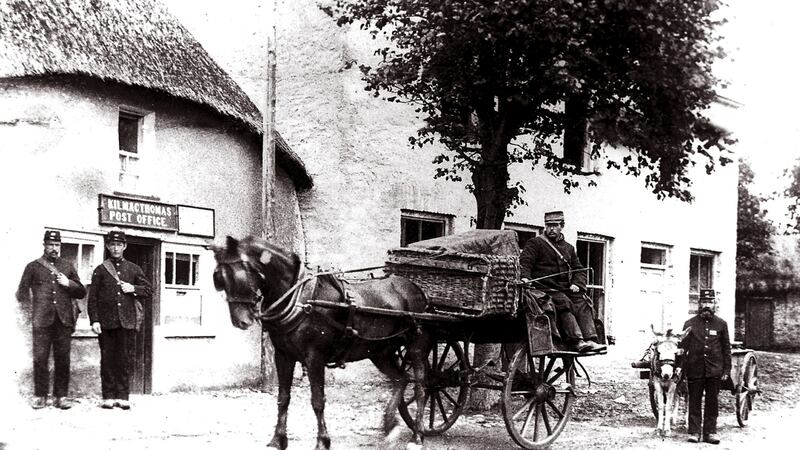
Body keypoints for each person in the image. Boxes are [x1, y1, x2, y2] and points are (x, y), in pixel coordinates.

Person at [16, 230, 87, 409]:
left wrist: (68, 284)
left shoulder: (68, 266)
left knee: (63, 358)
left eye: (57, 245)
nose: (54, 248)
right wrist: (33, 311)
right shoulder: (33, 267)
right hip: (41, 321)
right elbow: (21, 293)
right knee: (40, 358)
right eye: (51, 245)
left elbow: (81, 291)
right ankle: (40, 396)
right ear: (44, 245)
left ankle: (61, 397)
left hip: (63, 320)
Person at [519, 211, 605, 353]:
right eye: (548, 226)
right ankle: (576, 341)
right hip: (543, 288)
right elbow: (525, 263)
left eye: (555, 226)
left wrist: (577, 284)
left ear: (562, 226)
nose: (551, 229)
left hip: (564, 288)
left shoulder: (569, 248)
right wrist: (525, 278)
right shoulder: (535, 243)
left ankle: (591, 339)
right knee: (563, 301)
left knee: (582, 301)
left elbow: (579, 269)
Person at [87, 230, 151, 410]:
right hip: (106, 322)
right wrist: (95, 320)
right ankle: (108, 396)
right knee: (107, 359)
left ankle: (123, 396)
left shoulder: (134, 268)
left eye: (119, 245)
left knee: (124, 360)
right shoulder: (100, 270)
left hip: (127, 321)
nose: (115, 248)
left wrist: (133, 288)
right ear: (107, 246)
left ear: (124, 246)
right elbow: (93, 298)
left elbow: (148, 290)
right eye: (112, 245)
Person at [681, 289, 731, 445]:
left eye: (710, 302)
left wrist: (726, 370)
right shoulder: (689, 324)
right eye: (704, 302)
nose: (707, 305)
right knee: (694, 401)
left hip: (714, 370)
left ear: (714, 304)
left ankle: (710, 432)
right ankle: (694, 432)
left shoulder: (721, 324)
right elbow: (682, 349)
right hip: (695, 369)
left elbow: (726, 349)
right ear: (699, 304)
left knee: (712, 402)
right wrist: (681, 370)